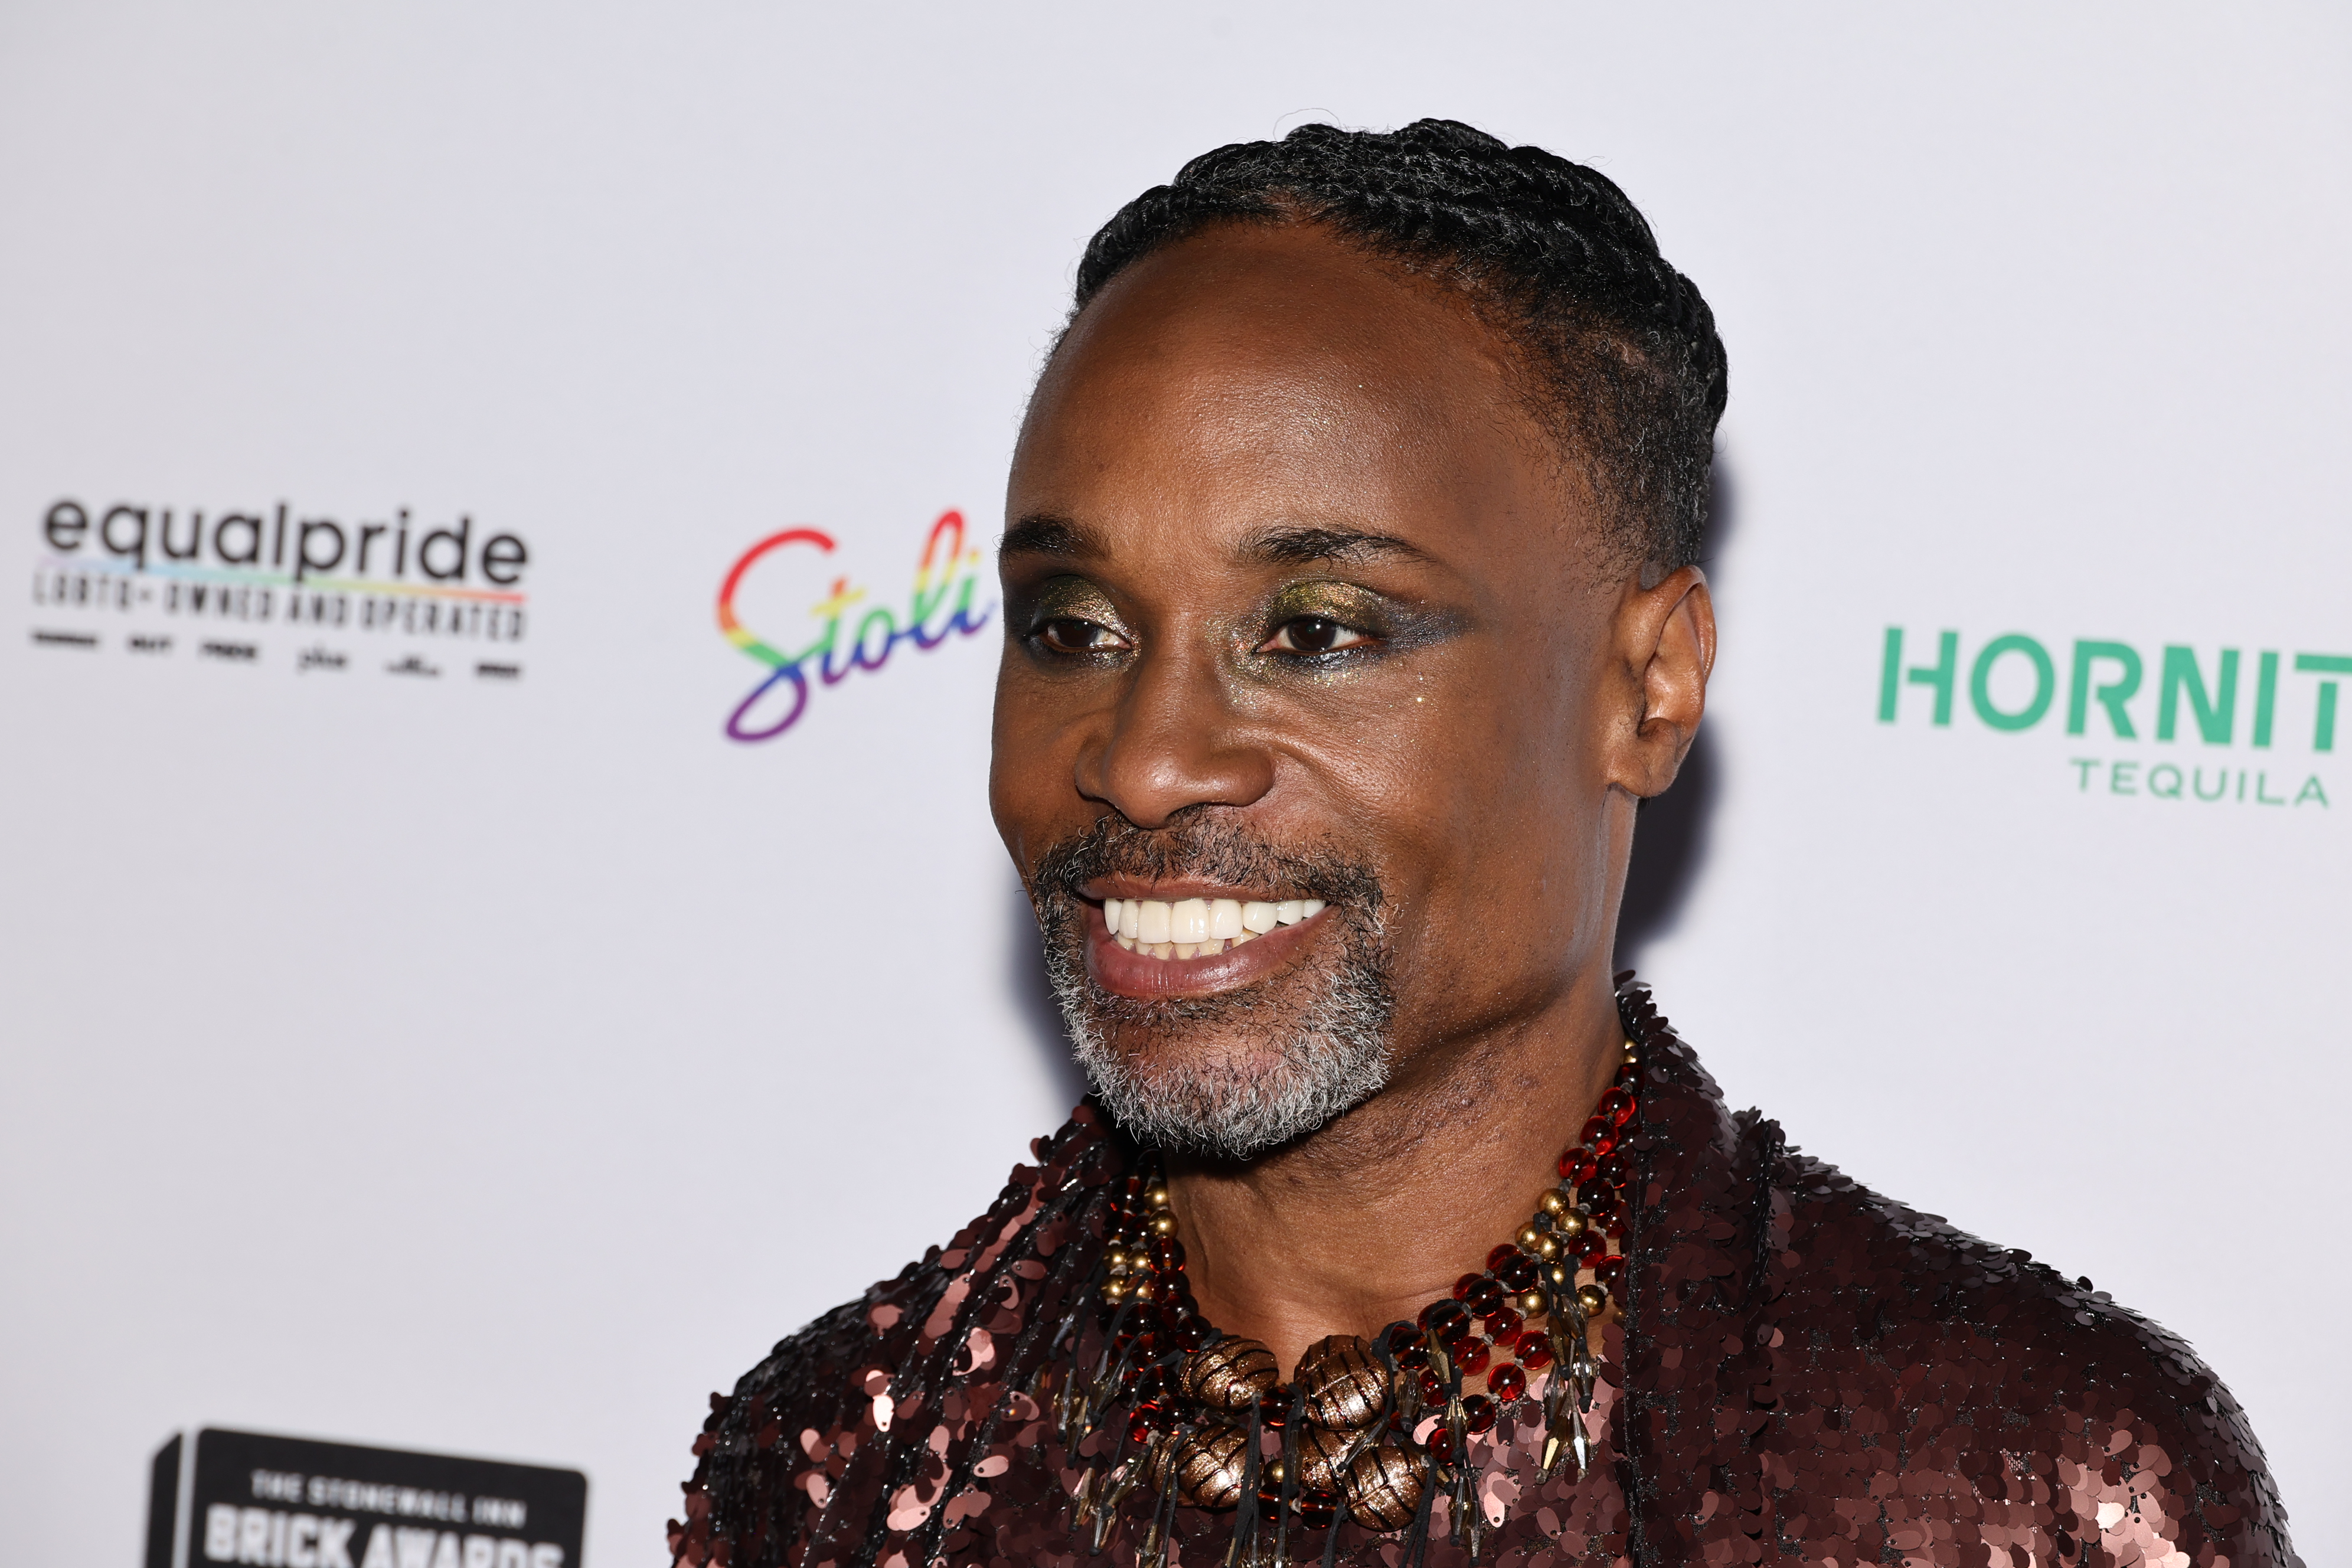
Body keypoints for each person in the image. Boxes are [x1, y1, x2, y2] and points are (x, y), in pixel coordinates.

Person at [668, 120, 2296, 1568]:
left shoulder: (2014, 1483)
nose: (1149, 759)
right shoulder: (835, 1477)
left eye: (1316, 631)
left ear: (1647, 689)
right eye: (1077, 626)